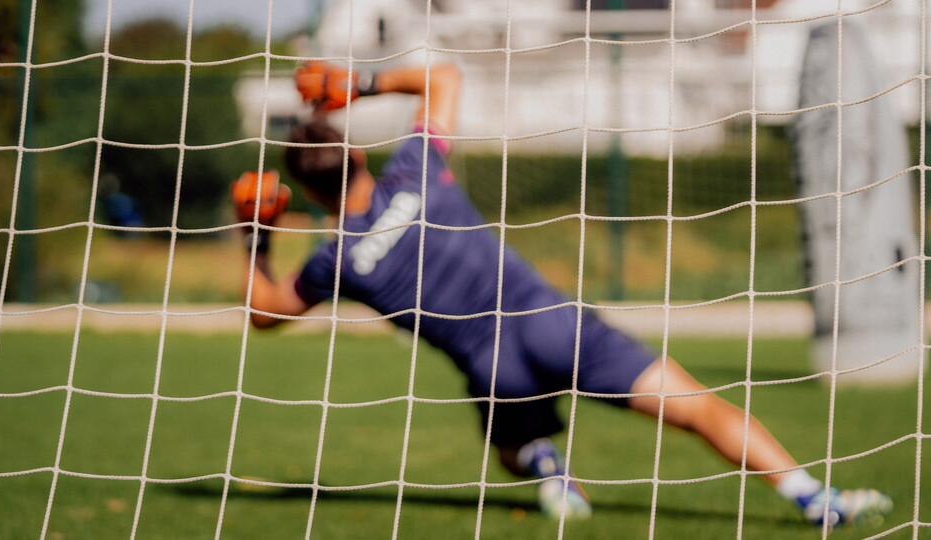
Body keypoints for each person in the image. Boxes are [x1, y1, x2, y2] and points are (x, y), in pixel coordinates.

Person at [232, 60, 892, 527]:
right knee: (697, 409)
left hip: (495, 369)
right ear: (358, 156)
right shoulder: (416, 170)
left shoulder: (336, 260)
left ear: (309, 200)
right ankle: (814, 497)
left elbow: (264, 314)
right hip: (554, 324)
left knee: (510, 450)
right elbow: (444, 77)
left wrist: (255, 234)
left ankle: (547, 466)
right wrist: (358, 84)